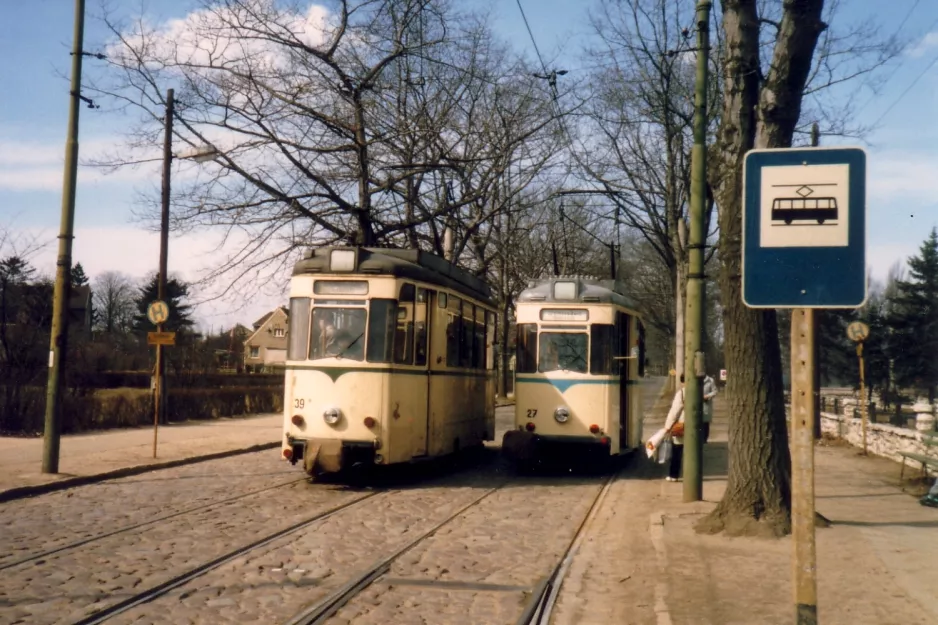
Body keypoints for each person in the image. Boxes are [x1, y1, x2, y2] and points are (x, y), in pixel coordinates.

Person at [663, 374, 686, 482]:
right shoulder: (699, 392)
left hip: (681, 426)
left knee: (677, 451)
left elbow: (674, 411)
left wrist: (667, 426)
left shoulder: (681, 393)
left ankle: (674, 475)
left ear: (682, 382)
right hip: (696, 427)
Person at [702, 373, 718, 444]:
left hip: (706, 404)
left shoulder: (710, 380)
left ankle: (705, 439)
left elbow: (715, 391)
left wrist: (707, 396)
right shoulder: (695, 380)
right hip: (697, 404)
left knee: (705, 423)